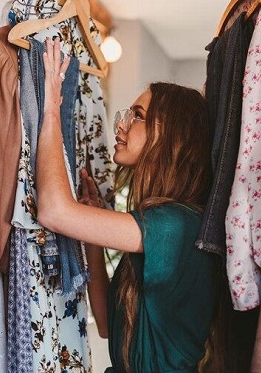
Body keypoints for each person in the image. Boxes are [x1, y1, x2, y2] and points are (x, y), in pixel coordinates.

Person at [36, 38, 218, 372]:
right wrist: (92, 235)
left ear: (171, 136)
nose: (121, 125)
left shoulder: (176, 224)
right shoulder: (160, 223)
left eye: (137, 116)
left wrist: (50, 109)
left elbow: (53, 211)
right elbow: (106, 324)